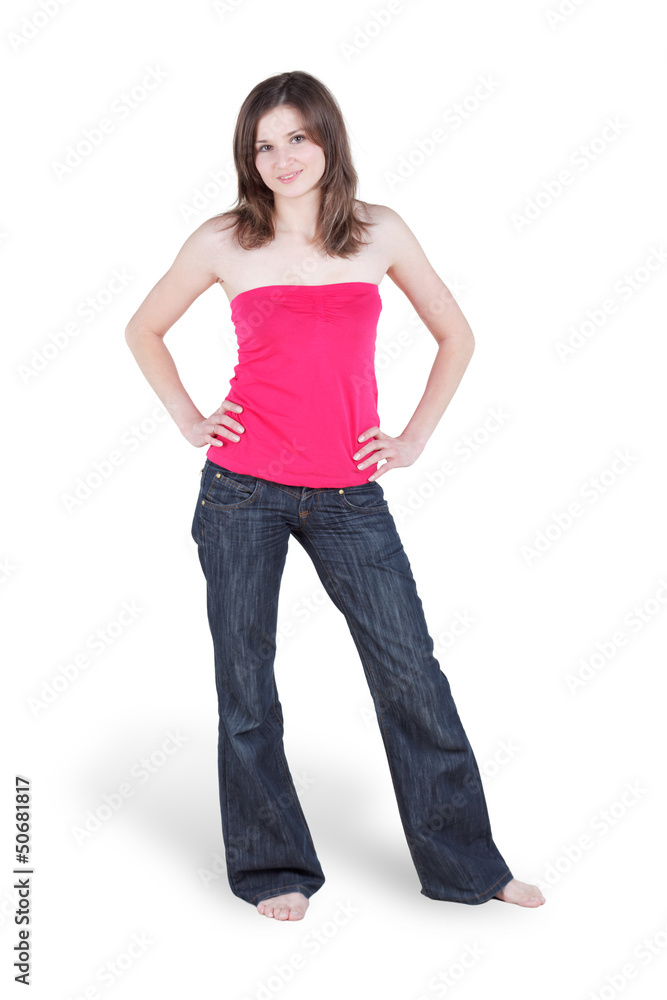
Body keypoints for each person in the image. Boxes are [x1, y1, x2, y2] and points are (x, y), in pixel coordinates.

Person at [125, 70, 546, 922]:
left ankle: (465, 864)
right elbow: (143, 327)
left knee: (411, 677)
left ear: (327, 138)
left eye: (296, 138)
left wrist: (415, 435)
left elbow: (455, 333)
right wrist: (188, 416)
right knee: (246, 686)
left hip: (351, 494)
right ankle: (272, 868)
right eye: (262, 145)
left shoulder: (377, 232)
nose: (281, 158)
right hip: (241, 489)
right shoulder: (222, 241)